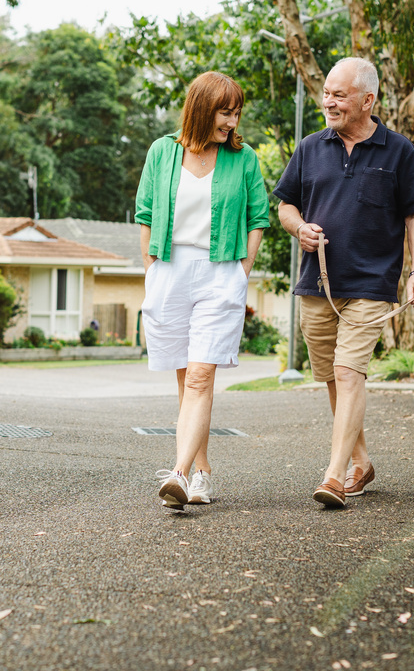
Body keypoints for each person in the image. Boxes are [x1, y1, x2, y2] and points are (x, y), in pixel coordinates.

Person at [273, 57, 414, 508]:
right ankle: (361, 462)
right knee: (330, 376)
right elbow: (285, 205)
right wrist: (298, 226)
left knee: (349, 372)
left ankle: (335, 474)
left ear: (368, 100)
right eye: (326, 92)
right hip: (317, 284)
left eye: (339, 95)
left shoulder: (399, 151)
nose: (328, 101)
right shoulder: (309, 147)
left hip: (370, 284)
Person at [136, 71, 269, 510]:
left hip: (219, 273)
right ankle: (201, 472)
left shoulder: (243, 158)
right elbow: (146, 212)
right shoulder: (162, 151)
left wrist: (242, 271)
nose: (231, 122)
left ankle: (176, 472)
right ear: (200, 108)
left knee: (200, 376)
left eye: (235, 113)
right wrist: (151, 270)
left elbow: (258, 217)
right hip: (170, 271)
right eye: (224, 112)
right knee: (185, 380)